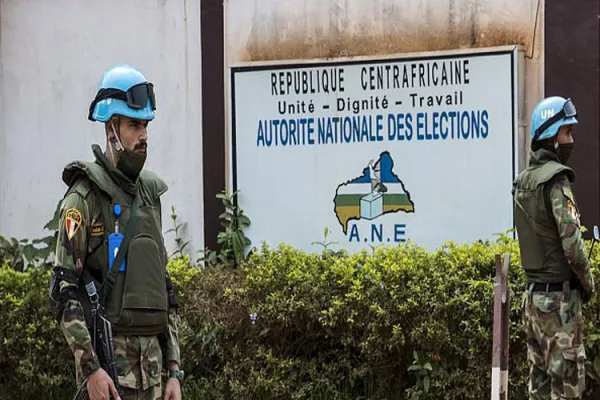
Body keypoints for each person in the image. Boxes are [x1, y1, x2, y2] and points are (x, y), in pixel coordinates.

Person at [48, 65, 183, 400]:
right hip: (108, 375)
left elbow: (163, 289)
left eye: (146, 125)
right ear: (111, 129)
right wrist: (91, 370)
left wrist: (173, 371)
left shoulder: (150, 194)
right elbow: (63, 293)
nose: (144, 135)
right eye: (134, 125)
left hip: (154, 373)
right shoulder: (85, 197)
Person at [512, 96, 594, 399]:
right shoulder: (556, 181)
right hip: (559, 304)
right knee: (567, 389)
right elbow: (573, 245)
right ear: (551, 136)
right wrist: (588, 285)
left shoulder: (523, 182)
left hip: (532, 302)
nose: (571, 139)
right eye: (567, 132)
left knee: (539, 389)